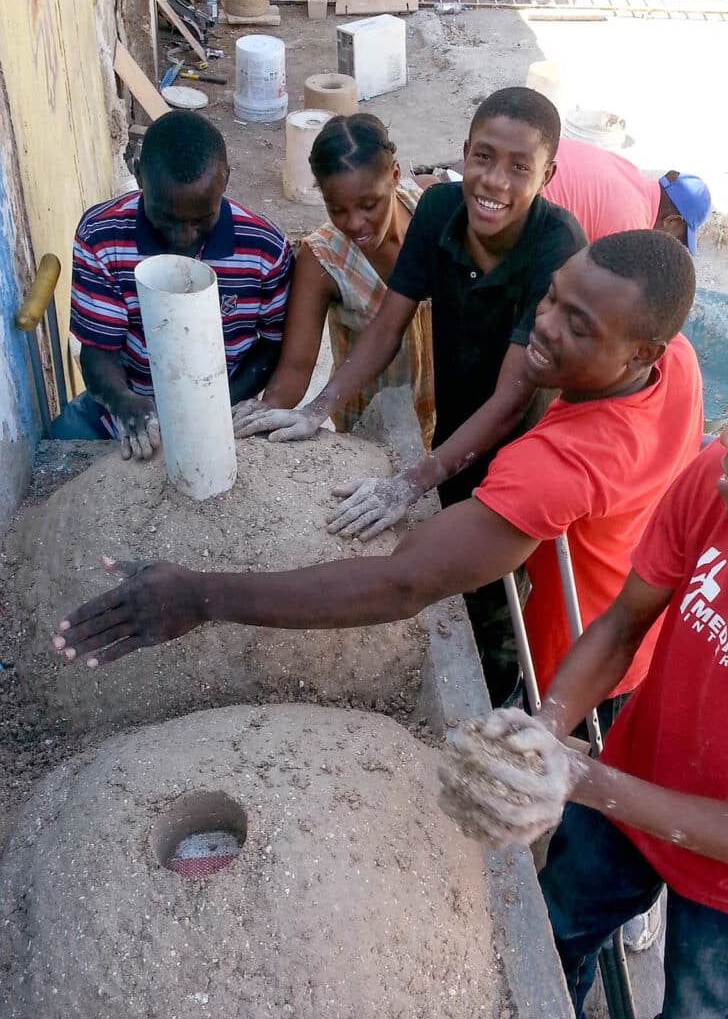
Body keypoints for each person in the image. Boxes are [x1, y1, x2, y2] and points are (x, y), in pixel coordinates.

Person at [52, 232, 702, 734]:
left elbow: (403, 582)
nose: (546, 322)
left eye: (577, 324)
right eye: (554, 295)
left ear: (643, 351)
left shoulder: (561, 468)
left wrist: (198, 597)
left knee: (540, 790)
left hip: (577, 670)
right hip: (638, 615)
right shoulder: (676, 364)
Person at [456, 327, 728, 1019]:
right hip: (630, 795)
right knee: (554, 939)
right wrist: (546, 730)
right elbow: (622, 626)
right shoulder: (720, 488)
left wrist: (582, 779)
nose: (727, 437)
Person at [235, 88, 588, 704]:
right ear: (464, 152)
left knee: (498, 595)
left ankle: (501, 699)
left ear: (548, 175)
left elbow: (512, 396)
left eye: (518, 166)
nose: (495, 181)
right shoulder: (439, 210)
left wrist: (410, 482)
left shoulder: (556, 245)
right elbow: (387, 325)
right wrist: (316, 410)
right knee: (447, 577)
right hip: (452, 432)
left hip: (521, 456)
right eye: (483, 156)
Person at [49, 110, 294, 460]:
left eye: (201, 220)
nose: (183, 236)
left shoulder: (264, 249)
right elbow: (98, 350)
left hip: (222, 411)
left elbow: (271, 346)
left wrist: (214, 406)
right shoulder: (101, 236)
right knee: (51, 464)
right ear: (138, 176)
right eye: (165, 217)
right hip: (122, 411)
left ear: (225, 180)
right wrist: (126, 405)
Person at [239, 113, 437, 450]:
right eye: (337, 209)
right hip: (372, 431)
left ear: (394, 175)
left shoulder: (430, 206)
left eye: (369, 204)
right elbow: (297, 367)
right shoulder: (322, 260)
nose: (356, 222)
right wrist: (265, 413)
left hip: (444, 407)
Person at [544, 136, 712, 252]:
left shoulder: (628, 169)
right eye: (678, 238)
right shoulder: (632, 226)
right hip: (525, 208)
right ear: (672, 220)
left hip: (530, 161)